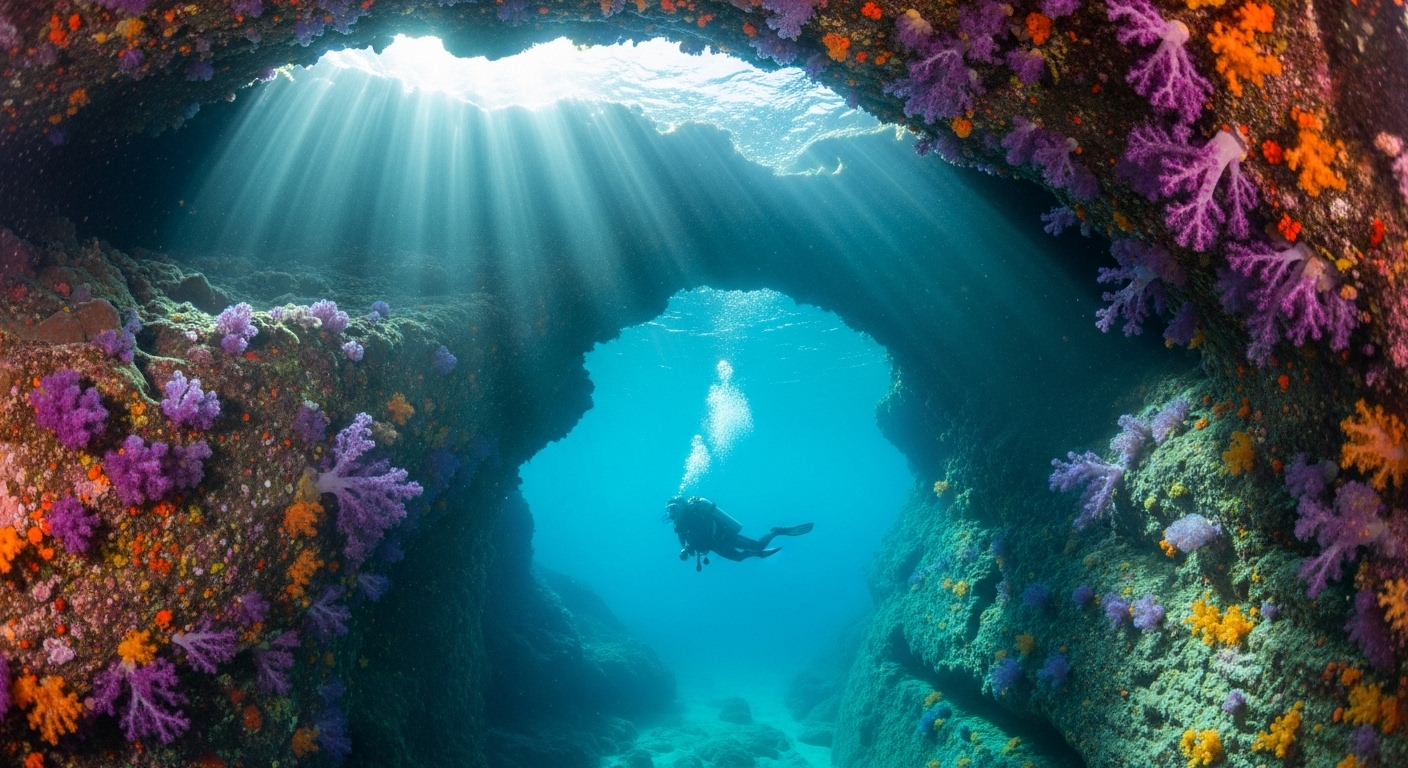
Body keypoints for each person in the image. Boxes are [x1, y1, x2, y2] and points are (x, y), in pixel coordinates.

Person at [664, 496, 814, 571]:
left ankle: (777, 531)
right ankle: (755, 554)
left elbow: (702, 532)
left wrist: (689, 548)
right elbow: (684, 542)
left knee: (759, 545)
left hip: (724, 537)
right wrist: (685, 551)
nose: (672, 512)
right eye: (670, 509)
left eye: (675, 508)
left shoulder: (695, 515)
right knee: (739, 558)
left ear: (682, 506)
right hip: (716, 546)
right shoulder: (679, 525)